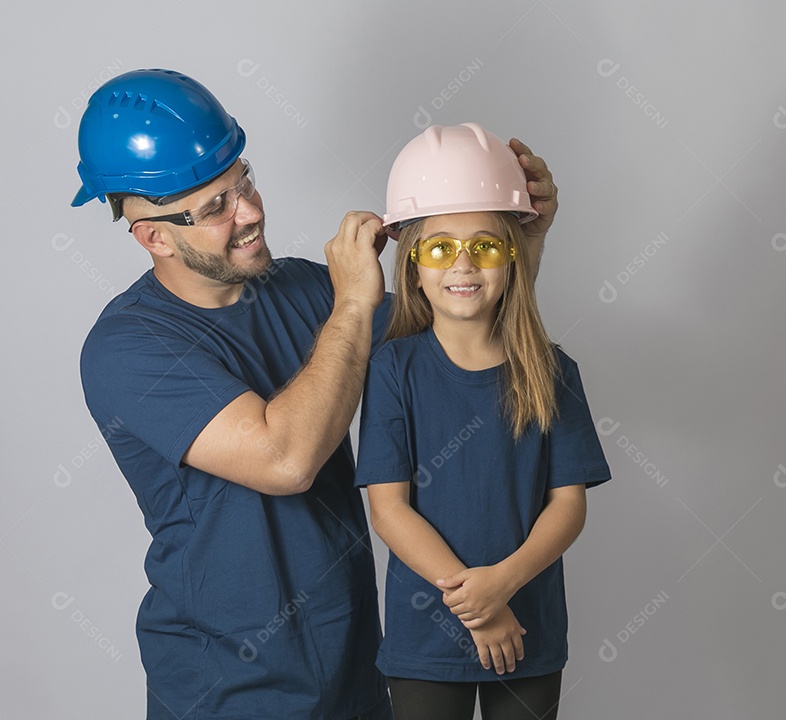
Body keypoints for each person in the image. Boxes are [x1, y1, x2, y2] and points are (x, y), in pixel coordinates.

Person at [72, 70, 559, 720]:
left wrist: (523, 241)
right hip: (228, 689)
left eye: (242, 183)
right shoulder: (128, 348)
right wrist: (356, 300)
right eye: (216, 206)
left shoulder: (306, 290)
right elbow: (286, 459)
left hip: (354, 667)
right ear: (155, 235)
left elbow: (467, 352)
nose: (248, 213)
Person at [354, 123, 610, 720]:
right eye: (440, 247)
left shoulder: (552, 370)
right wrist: (478, 603)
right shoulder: (392, 369)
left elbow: (568, 505)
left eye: (486, 247)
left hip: (529, 630)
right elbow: (388, 508)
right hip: (426, 640)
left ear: (513, 259)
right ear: (413, 266)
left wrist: (505, 585)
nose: (463, 264)